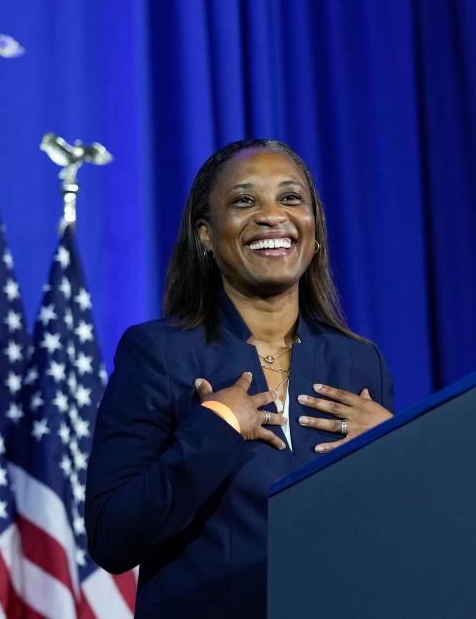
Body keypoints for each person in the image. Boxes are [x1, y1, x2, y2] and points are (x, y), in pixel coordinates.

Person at [85, 139, 394, 618]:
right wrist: (214, 429)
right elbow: (112, 538)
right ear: (206, 235)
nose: (273, 215)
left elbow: (391, 536)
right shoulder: (161, 353)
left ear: (315, 233)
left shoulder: (360, 363)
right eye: (244, 200)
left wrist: (397, 454)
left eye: (291, 198)